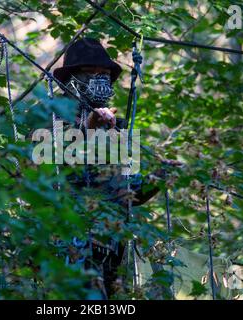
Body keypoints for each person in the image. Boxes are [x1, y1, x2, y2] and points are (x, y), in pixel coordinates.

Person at [51, 37, 161, 298]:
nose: (99, 78)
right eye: (91, 72)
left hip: (111, 248)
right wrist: (86, 130)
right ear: (72, 78)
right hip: (66, 243)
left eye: (104, 74)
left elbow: (132, 192)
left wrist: (161, 175)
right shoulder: (50, 115)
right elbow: (47, 173)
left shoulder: (119, 128)